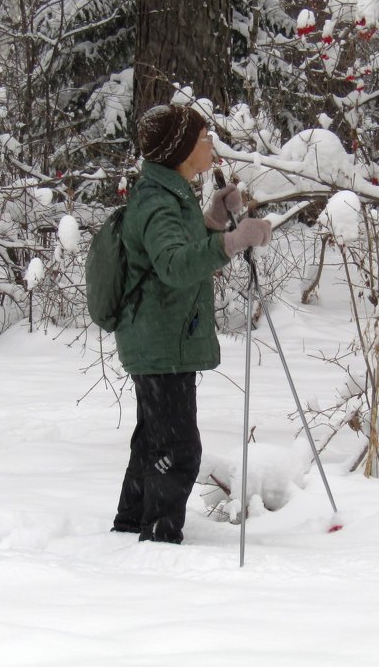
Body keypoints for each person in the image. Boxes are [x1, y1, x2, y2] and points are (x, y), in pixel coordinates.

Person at [111, 104, 272, 544]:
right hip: (160, 343)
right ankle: (159, 540)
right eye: (204, 138)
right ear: (181, 149)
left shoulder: (166, 193)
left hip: (158, 338)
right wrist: (232, 241)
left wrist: (214, 221)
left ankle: (130, 527)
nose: (210, 146)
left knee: (154, 439)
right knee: (178, 449)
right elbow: (173, 265)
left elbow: (175, 247)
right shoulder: (158, 201)